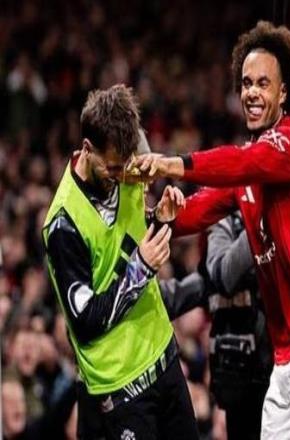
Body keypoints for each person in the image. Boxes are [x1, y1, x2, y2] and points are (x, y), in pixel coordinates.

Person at [128, 21, 290, 439]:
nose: (252, 92)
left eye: (263, 83)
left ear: (284, 93)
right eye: (246, 83)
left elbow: (237, 164)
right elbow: (197, 210)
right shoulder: (251, 164)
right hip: (287, 353)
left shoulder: (289, 144)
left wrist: (170, 164)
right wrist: (160, 217)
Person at [43, 84, 198, 440]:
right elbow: (86, 321)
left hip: (163, 355)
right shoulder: (64, 224)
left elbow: (129, 243)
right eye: (112, 168)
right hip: (121, 388)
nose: (120, 177)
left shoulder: (126, 166)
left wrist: (160, 219)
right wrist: (142, 267)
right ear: (87, 149)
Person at [204, 212, 272, 440]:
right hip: (242, 370)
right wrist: (261, 223)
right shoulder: (227, 222)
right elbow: (223, 275)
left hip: (288, 361)